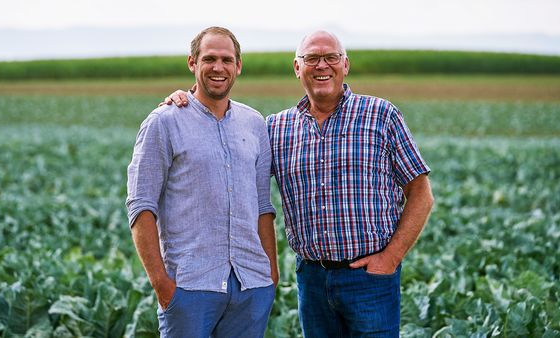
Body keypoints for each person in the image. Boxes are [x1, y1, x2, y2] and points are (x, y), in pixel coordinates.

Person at [164, 30, 434, 337]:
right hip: (312, 280)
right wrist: (186, 102)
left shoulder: (380, 115)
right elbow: (231, 173)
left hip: (370, 280)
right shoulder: (276, 128)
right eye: (312, 58)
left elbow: (421, 193)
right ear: (297, 68)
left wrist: (391, 257)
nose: (322, 65)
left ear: (345, 65)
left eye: (331, 57)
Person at [126, 26, 279, 338]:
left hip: (252, 284)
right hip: (190, 287)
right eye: (209, 58)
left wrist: (270, 276)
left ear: (239, 65)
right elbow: (141, 206)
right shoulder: (164, 121)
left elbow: (264, 206)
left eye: (227, 59)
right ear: (192, 63)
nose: (218, 67)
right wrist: (162, 284)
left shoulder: (255, 124)